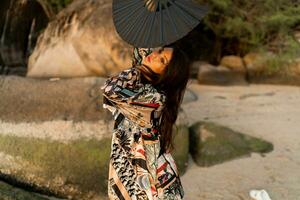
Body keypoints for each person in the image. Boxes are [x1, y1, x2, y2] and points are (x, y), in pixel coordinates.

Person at [101, 41, 191, 200]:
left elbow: (111, 89)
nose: (155, 56)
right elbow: (142, 50)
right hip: (131, 172)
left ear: (168, 75)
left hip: (151, 182)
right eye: (160, 51)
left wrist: (138, 68)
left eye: (162, 60)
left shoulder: (155, 98)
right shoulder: (142, 84)